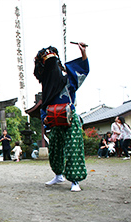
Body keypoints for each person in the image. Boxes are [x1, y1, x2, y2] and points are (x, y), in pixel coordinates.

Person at [33, 43, 89, 192]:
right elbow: (44, 106)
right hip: (55, 121)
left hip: (69, 120)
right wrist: (45, 119)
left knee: (73, 149)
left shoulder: (68, 81)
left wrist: (83, 54)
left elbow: (82, 71)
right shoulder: (47, 86)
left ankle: (75, 180)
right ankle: (58, 175)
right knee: (55, 150)